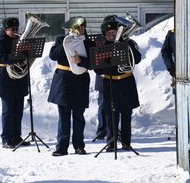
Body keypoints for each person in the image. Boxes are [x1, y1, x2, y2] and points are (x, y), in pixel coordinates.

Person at [94, 15, 142, 151]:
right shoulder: (101, 46)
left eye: (114, 32)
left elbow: (137, 59)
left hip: (126, 83)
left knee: (126, 114)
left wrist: (125, 45)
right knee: (111, 115)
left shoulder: (128, 42)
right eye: (109, 33)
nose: (112, 35)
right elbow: (97, 69)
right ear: (104, 34)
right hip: (110, 84)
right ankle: (111, 142)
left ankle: (126, 142)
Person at [48, 16, 93, 156]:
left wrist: (81, 60)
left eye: (81, 27)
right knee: (64, 116)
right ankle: (61, 147)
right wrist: (67, 44)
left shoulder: (89, 42)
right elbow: (53, 55)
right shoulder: (62, 39)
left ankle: (79, 146)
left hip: (80, 80)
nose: (79, 30)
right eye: (77, 27)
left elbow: (93, 63)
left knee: (79, 116)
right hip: (64, 81)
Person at [0, 17, 30, 148]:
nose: (15, 31)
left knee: (18, 110)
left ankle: (16, 136)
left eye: (16, 29)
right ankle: (6, 138)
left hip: (19, 79)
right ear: (5, 29)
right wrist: (13, 58)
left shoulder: (19, 40)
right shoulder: (1, 41)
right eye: (12, 29)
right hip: (6, 79)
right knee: (8, 111)